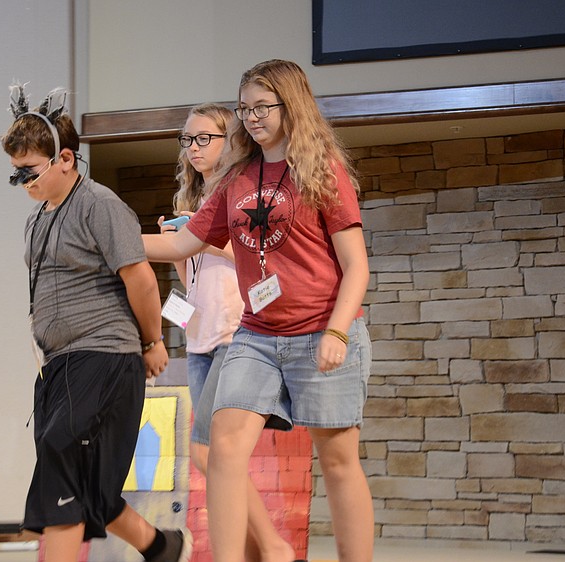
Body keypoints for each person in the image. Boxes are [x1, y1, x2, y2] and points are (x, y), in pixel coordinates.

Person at [142, 60, 374, 562]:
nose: (251, 117)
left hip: (321, 329)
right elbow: (181, 243)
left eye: (262, 107)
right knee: (222, 448)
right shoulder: (236, 177)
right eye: (244, 108)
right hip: (257, 335)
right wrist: (108, 239)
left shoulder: (322, 170)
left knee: (338, 462)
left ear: (292, 105)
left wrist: (337, 332)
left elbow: (357, 266)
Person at [2, 83, 192, 562]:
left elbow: (141, 280)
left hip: (102, 354)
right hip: (59, 365)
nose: (22, 182)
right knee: (86, 483)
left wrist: (152, 342)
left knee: (62, 459)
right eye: (15, 173)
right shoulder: (36, 219)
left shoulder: (99, 205)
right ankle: (161, 547)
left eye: (29, 170)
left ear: (65, 159)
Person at [157, 103, 294, 562]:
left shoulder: (244, 197)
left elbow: (262, 263)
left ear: (229, 141)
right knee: (215, 455)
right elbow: (190, 280)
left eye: (204, 139)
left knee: (209, 452)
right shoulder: (192, 202)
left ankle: (272, 545)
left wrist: (204, 238)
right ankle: (260, 549)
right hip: (200, 335)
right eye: (187, 140)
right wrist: (179, 245)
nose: (193, 149)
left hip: (238, 332)